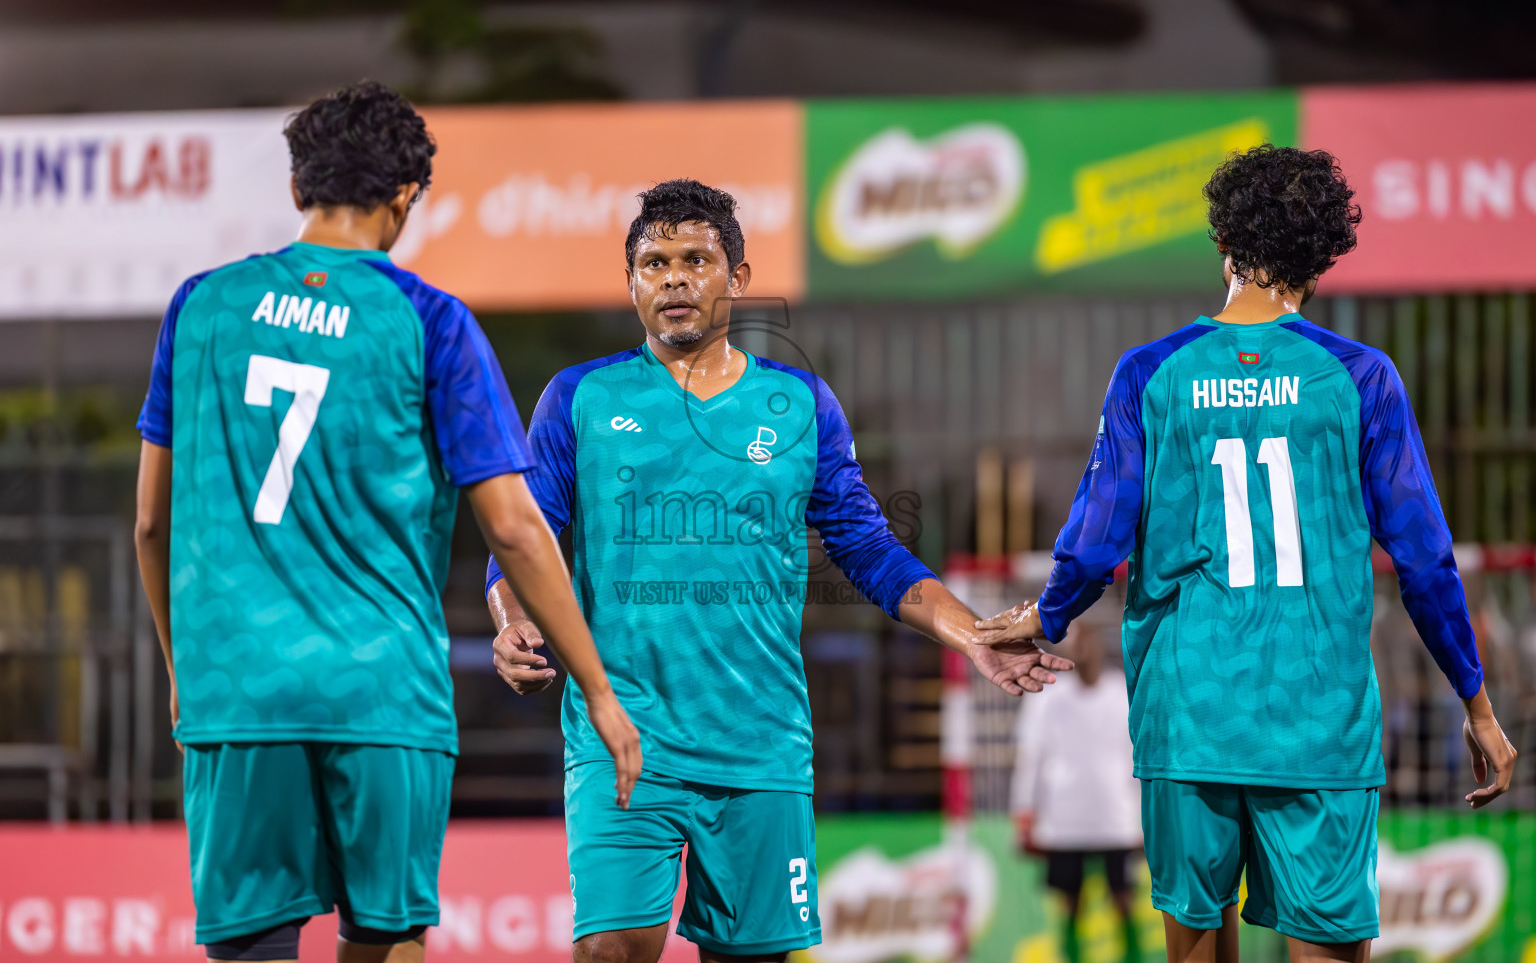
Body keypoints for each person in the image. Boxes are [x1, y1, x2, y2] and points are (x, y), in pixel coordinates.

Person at [484, 179, 1073, 963]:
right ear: (630, 284)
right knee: (610, 949)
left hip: (759, 746)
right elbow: (524, 540)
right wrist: (511, 621)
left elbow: (867, 549)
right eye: (653, 263)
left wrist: (970, 635)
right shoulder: (579, 398)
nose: (675, 278)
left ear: (739, 277)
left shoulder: (800, 405)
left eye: (696, 258)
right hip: (622, 735)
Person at [133, 81, 639, 963]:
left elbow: (149, 525)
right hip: (382, 692)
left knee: (252, 943)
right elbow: (516, 528)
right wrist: (597, 687)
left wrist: (184, 669)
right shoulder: (432, 322)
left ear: (298, 190)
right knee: (385, 935)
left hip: (239, 688)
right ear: (406, 198)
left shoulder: (201, 305)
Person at [973, 145, 1517, 963]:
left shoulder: (1150, 374)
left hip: (1188, 721)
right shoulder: (1360, 377)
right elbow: (1426, 564)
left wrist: (1045, 616)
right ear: (1319, 259)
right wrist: (1475, 703)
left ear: (1223, 244)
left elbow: (1094, 541)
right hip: (1319, 724)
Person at [1012, 622, 1142, 963]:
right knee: (1069, 903)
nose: (1084, 651)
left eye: (1089, 643)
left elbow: (1137, 758)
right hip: (1064, 819)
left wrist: (1144, 817)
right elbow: (1031, 756)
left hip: (1116, 819)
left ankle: (1133, 956)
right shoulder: (1046, 696)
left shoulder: (1123, 692)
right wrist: (1024, 809)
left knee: (1124, 900)